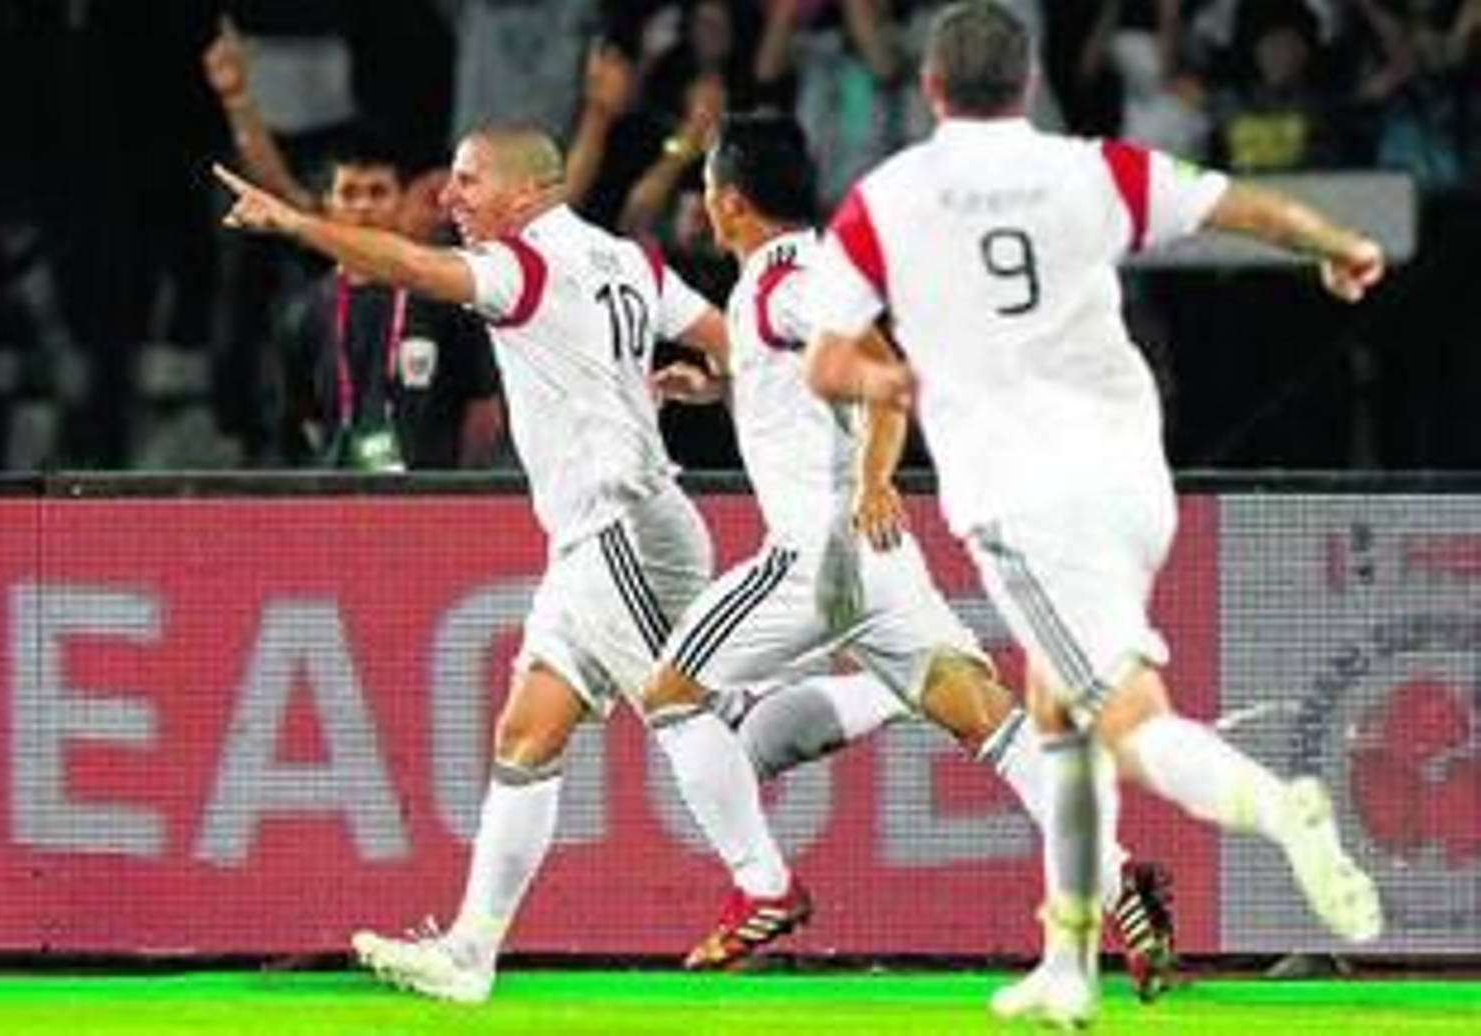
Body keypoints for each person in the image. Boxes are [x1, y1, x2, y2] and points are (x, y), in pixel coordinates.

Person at [801, 3, 1385, 1027]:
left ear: (932, 90)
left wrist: (890, 380)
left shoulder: (886, 199)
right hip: (1129, 480)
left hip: (1027, 501)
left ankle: (1280, 811)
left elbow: (825, 360)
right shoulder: (1089, 168)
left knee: (1122, 718)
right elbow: (1232, 204)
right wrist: (1334, 241)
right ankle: (1066, 961)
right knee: (1054, 711)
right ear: (1025, 86)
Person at [638, 109, 1177, 996]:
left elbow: (887, 378)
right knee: (988, 721)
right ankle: (1118, 882)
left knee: (668, 695)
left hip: (817, 556)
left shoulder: (784, 282)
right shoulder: (785, 283)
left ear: (730, 201)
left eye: (706, 188)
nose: (702, 203)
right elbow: (803, 370)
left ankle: (763, 890)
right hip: (878, 570)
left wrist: (874, 483)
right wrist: (720, 383)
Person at [216, 124, 728, 1003]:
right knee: (526, 737)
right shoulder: (628, 258)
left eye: (467, 181)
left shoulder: (519, 267)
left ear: (526, 193)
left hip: (620, 532)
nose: (450, 198)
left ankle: (802, 824)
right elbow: (728, 338)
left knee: (715, 718)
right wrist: (711, 382)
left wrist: (296, 223)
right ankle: (469, 952)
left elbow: (409, 269)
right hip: (604, 531)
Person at [204, 19, 503, 470]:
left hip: (434, 504)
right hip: (341, 506)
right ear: (328, 205)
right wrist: (238, 99)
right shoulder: (306, 309)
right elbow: (278, 188)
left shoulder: (445, 293)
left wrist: (448, 487)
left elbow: (484, 415)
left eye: (378, 192)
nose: (362, 207)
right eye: (349, 193)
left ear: (404, 203)